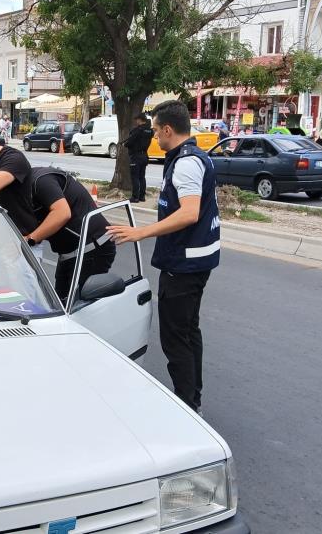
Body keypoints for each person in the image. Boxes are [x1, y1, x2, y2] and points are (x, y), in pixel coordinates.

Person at [106, 100, 220, 414]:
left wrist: (139, 232)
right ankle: (192, 397)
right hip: (197, 260)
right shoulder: (196, 156)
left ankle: (187, 406)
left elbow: (189, 213)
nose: (155, 136)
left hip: (185, 264)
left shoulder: (185, 162)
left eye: (156, 131)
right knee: (188, 332)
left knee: (176, 339)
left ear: (168, 129)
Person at [24, 167, 115, 302]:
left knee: (80, 307)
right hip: (68, 253)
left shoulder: (41, 180)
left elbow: (62, 213)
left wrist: (30, 240)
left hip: (92, 247)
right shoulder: (21, 189)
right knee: (60, 303)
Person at [123, 114, 154, 203]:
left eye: (137, 120)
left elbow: (130, 142)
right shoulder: (150, 131)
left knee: (135, 177)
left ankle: (135, 197)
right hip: (144, 155)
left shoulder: (137, 130)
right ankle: (142, 197)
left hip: (136, 156)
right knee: (142, 177)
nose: (136, 121)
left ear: (140, 120)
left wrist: (124, 144)